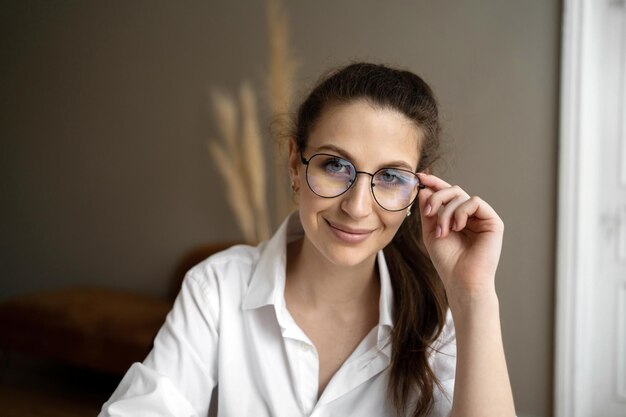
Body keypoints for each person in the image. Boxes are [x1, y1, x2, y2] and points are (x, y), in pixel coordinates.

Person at [99, 62, 515, 417]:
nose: (356, 207)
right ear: (295, 166)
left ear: (417, 192)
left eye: (390, 177)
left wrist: (474, 296)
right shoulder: (217, 288)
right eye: (335, 164)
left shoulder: (433, 318)